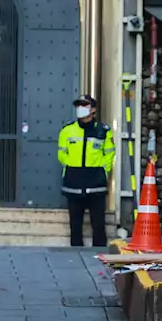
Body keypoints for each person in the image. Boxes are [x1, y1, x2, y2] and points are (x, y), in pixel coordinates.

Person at [57, 94, 114, 247]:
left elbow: (109, 154)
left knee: (99, 224)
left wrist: (102, 170)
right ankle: (75, 255)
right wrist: (71, 167)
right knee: (75, 224)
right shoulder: (67, 131)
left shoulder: (103, 131)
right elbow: (62, 153)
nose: (81, 109)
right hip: (73, 183)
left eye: (85, 105)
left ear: (93, 109)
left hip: (96, 183)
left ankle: (100, 254)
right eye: (79, 106)